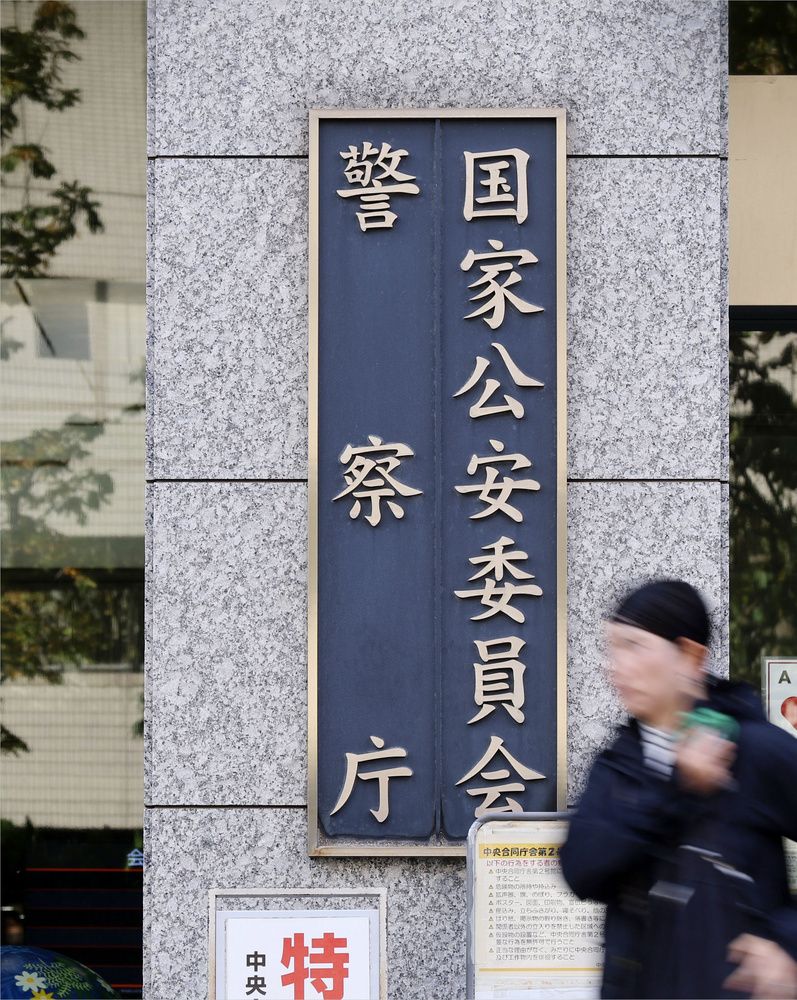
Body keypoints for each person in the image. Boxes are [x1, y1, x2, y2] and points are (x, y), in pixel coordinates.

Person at [560, 579, 797, 999]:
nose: (615, 667)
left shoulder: (754, 750)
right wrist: (673, 786)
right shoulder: (618, 765)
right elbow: (581, 871)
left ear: (690, 656)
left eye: (634, 646)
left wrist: (787, 944)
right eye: (612, 649)